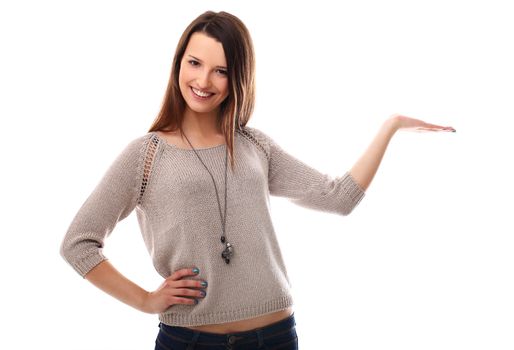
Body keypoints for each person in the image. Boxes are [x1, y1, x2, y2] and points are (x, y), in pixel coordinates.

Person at [60, 10, 455, 350]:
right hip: (191, 340)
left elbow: (339, 198)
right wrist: (146, 300)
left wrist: (391, 127)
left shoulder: (254, 146)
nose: (204, 81)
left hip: (276, 336)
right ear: (178, 63)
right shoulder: (146, 154)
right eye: (194, 63)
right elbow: (79, 244)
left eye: (221, 71)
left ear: (238, 78)